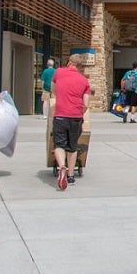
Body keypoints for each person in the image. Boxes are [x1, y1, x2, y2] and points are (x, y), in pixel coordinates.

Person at [51, 53, 91, 191]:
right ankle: (70, 175)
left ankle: (62, 165)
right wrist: (80, 112)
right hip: (75, 117)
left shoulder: (59, 73)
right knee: (72, 146)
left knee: (59, 145)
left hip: (60, 115)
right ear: (80, 67)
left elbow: (53, 91)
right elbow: (86, 103)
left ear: (69, 62)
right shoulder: (84, 81)